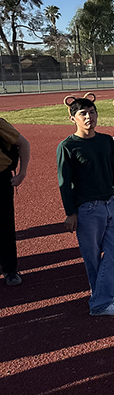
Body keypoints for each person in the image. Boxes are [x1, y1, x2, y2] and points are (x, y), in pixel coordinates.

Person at [57, 93, 114, 316]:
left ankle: (105, 293)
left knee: (112, 254)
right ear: (73, 118)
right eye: (83, 113)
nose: (89, 117)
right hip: (88, 209)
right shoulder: (67, 146)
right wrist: (70, 212)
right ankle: (99, 303)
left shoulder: (106, 141)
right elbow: (64, 182)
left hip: (111, 203)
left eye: (92, 112)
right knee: (92, 257)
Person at [0, 118, 30, 286]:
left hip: (1, 179)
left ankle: (10, 269)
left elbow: (23, 144)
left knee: (4, 225)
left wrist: (22, 173)